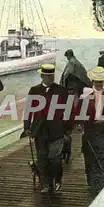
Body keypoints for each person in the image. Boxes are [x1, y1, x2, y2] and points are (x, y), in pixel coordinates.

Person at [24, 64, 71, 194]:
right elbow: (28, 110)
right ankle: (46, 184)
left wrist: (67, 125)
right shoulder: (34, 90)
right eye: (47, 76)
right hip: (39, 130)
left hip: (56, 129)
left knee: (55, 159)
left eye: (51, 76)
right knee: (42, 158)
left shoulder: (61, 90)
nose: (49, 78)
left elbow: (69, 109)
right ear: (42, 76)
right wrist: (27, 126)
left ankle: (58, 181)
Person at [74, 66, 104, 196]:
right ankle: (93, 185)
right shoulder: (85, 96)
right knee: (91, 160)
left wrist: (103, 119)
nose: (99, 84)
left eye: (101, 81)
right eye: (96, 81)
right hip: (90, 134)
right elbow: (79, 116)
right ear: (92, 81)